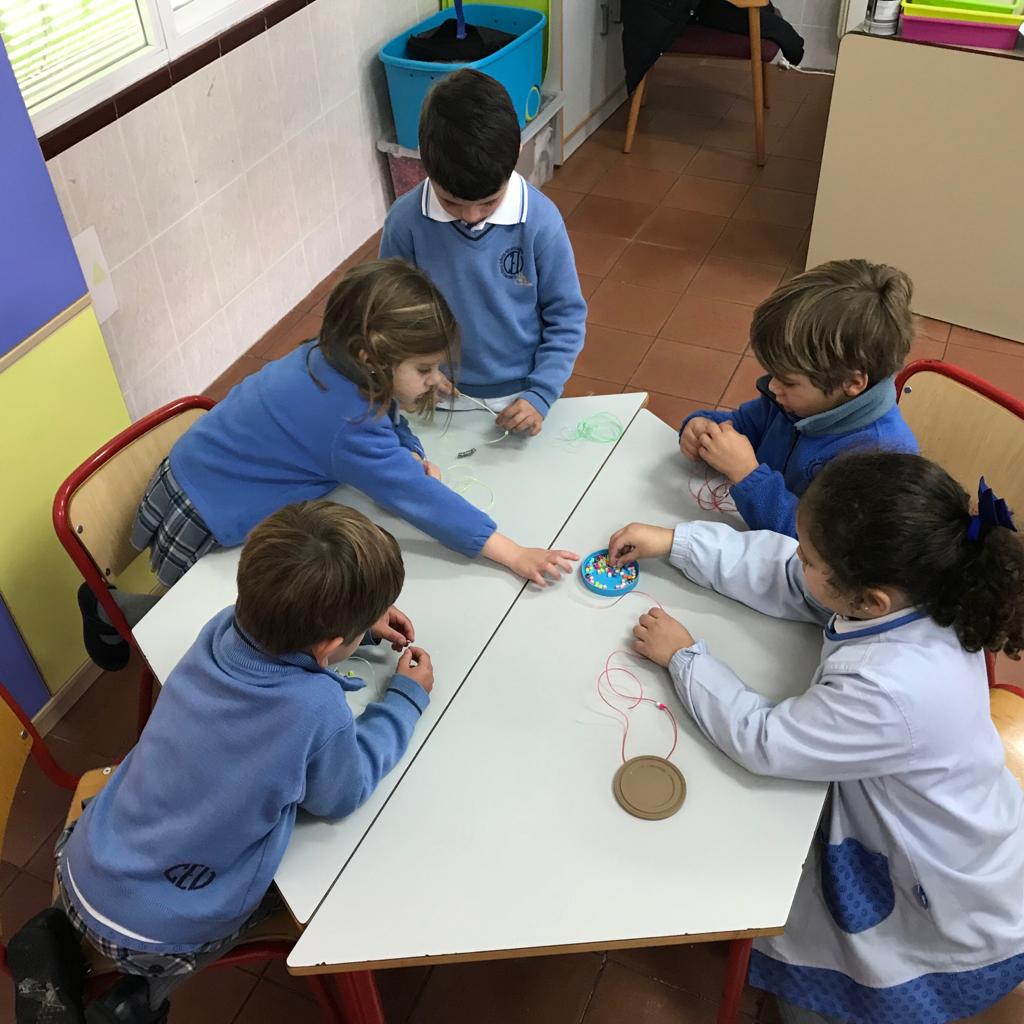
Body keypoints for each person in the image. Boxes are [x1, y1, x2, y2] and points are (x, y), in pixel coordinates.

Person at [608, 452, 1024, 1024]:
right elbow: (785, 573)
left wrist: (684, 658)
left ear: (869, 599)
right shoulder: (924, 585)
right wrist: (676, 542)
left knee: (839, 977)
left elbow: (765, 741)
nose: (797, 559)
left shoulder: (890, 688)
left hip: (931, 872)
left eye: (810, 558)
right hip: (949, 804)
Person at [10, 501, 434, 1024]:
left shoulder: (224, 628)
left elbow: (289, 643)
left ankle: (55, 946)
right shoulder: (315, 708)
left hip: (80, 860)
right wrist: (404, 701)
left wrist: (356, 631)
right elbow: (341, 794)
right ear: (329, 644)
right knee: (280, 896)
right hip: (151, 938)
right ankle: (135, 1001)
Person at [79, 259, 577, 670]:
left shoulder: (332, 357)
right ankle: (118, 611)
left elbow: (389, 414)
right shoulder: (346, 421)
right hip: (207, 513)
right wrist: (514, 554)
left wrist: (410, 450)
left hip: (198, 474)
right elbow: (421, 501)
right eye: (425, 369)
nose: (435, 380)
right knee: (254, 631)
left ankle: (125, 609)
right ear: (371, 357)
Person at [379, 68, 586, 438]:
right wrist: (414, 373)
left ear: (516, 153)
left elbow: (566, 316)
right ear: (423, 162)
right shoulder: (404, 222)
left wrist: (541, 392)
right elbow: (390, 316)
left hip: (522, 394)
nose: (472, 217)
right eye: (451, 203)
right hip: (434, 392)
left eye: (489, 202)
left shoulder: (540, 221)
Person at [679, 259, 919, 537]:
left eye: (789, 381)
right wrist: (703, 427)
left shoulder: (880, 458)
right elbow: (742, 425)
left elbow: (818, 545)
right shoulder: (796, 402)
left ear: (852, 383)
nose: (773, 386)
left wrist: (747, 476)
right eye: (773, 373)